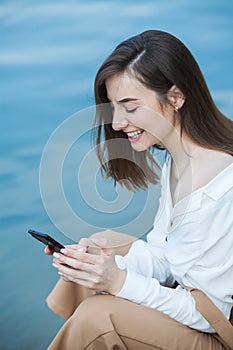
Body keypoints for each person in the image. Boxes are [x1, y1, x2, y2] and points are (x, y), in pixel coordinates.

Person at [45, 30, 233, 349]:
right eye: (113, 107)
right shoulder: (179, 160)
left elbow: (212, 315)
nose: (117, 122)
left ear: (176, 96)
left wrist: (118, 282)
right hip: (194, 302)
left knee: (97, 317)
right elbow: (167, 254)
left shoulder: (222, 186)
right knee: (108, 248)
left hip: (221, 331)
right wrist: (103, 267)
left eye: (130, 107)